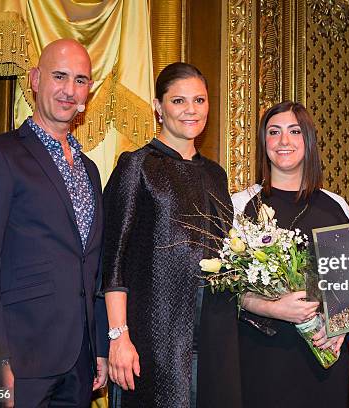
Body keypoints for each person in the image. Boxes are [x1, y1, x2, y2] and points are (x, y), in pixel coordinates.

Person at [0, 39, 108, 406]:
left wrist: (100, 345)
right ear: (36, 79)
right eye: (59, 77)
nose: (69, 90)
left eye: (80, 80)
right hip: (19, 358)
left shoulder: (90, 170)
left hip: (79, 362)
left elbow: (94, 264)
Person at [102, 62, 242, 408]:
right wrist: (119, 337)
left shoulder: (215, 175)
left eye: (199, 100)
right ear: (158, 107)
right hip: (155, 338)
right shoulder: (137, 166)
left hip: (215, 335)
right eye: (178, 101)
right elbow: (113, 261)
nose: (191, 110)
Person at [231, 101, 349, 408]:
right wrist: (274, 308)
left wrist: (342, 329)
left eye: (294, 131)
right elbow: (226, 289)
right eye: (274, 132)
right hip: (263, 358)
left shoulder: (336, 206)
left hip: (324, 356)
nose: (284, 141)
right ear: (264, 143)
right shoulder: (241, 205)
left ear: (307, 140)